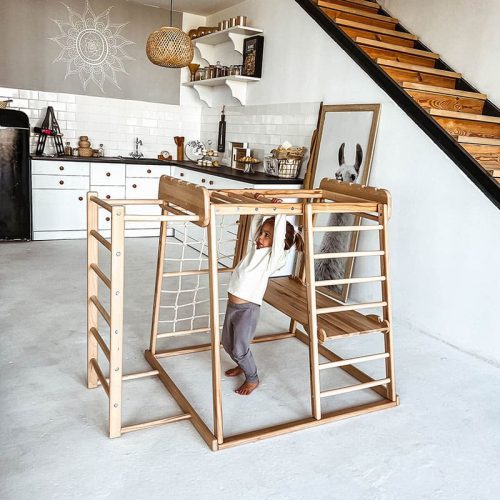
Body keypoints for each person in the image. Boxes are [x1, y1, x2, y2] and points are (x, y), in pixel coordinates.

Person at [222, 193, 304, 395]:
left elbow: (277, 238)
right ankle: (242, 365)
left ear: (277, 241)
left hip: (247, 310)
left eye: (267, 235)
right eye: (262, 233)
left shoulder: (273, 257)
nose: (260, 237)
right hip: (233, 306)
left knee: (240, 348)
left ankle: (252, 378)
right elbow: (257, 224)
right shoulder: (256, 248)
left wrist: (279, 212)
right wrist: (263, 205)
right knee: (227, 343)